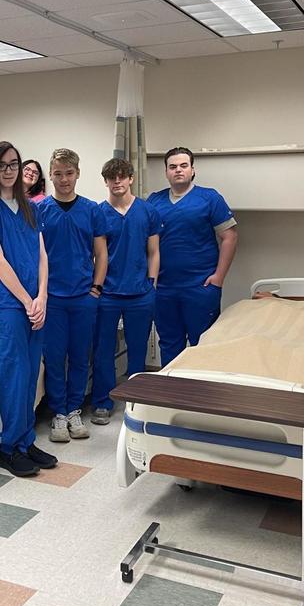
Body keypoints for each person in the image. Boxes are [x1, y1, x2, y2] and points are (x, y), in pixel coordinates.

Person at [0, 141, 56, 478]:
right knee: (14, 373)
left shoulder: (31, 208)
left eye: (14, 163)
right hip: (7, 304)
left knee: (31, 372)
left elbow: (42, 255)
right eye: (3, 165)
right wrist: (27, 301)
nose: (9, 170)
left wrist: (42, 296)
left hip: (34, 302)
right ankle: (8, 448)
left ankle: (26, 441)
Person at [38, 149, 107, 442]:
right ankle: (59, 413)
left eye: (69, 173)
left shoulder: (91, 210)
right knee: (54, 357)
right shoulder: (40, 210)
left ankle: (75, 410)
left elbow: (101, 253)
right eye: (58, 174)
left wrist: (95, 289)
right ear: (50, 175)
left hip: (83, 296)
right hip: (52, 297)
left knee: (80, 357)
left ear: (77, 173)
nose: (64, 179)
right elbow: (34, 254)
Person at [147, 147, 237, 365]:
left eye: (183, 165)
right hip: (164, 288)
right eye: (173, 167)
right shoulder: (154, 201)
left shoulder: (209, 198)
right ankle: (171, 386)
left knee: (203, 345)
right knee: (169, 344)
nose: (178, 170)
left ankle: (201, 387)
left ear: (192, 170)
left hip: (200, 286)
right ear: (166, 172)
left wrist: (219, 277)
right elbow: (145, 243)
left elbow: (230, 237)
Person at [91, 158, 160, 425]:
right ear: (105, 181)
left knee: (137, 350)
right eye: (112, 177)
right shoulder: (99, 212)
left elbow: (153, 252)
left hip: (140, 293)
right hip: (107, 294)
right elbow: (98, 254)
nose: (117, 181)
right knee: (103, 350)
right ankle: (102, 401)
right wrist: (96, 288)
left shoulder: (147, 211)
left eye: (122, 176)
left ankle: (136, 402)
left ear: (131, 178)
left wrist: (151, 284)